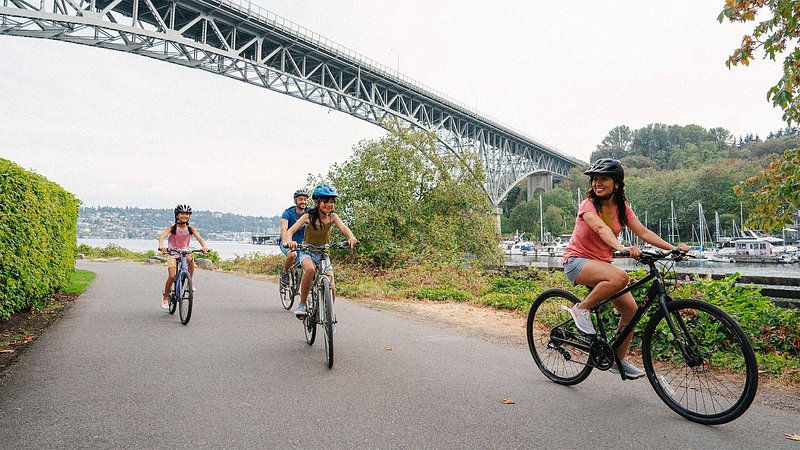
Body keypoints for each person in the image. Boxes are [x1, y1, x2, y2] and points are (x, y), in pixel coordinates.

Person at [562, 159, 689, 379]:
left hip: (601, 265)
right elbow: (601, 228)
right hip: (576, 261)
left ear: (617, 184)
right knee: (620, 277)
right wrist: (621, 247)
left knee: (631, 310)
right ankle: (581, 309)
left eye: (603, 179)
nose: (597, 184)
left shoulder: (622, 209)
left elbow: (644, 233)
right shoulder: (588, 205)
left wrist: (673, 248)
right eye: (595, 179)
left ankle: (617, 360)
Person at [283, 183, 357, 318]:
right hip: (307, 252)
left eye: (332, 202)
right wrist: (290, 241)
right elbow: (291, 230)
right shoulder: (308, 217)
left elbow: (344, 228)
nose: (329, 205)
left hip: (324, 254)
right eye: (325, 202)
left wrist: (351, 237)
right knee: (310, 270)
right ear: (317, 202)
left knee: (332, 285)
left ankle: (328, 313)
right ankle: (302, 304)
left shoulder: (333, 217)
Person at [157, 204, 208, 309]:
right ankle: (166, 298)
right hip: (173, 253)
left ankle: (189, 283)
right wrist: (161, 246)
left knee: (191, 262)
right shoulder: (173, 227)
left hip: (184, 253)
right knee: (172, 276)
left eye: (187, 214)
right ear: (177, 215)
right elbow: (162, 236)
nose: (184, 216)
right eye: (182, 214)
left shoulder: (190, 228)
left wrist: (204, 246)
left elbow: (199, 238)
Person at [279, 189, 310, 288]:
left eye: (305, 199)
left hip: (303, 244)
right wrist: (285, 242)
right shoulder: (288, 213)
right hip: (288, 242)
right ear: (295, 201)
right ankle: (285, 272)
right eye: (300, 199)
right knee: (293, 254)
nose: (303, 202)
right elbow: (284, 227)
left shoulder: (310, 212)